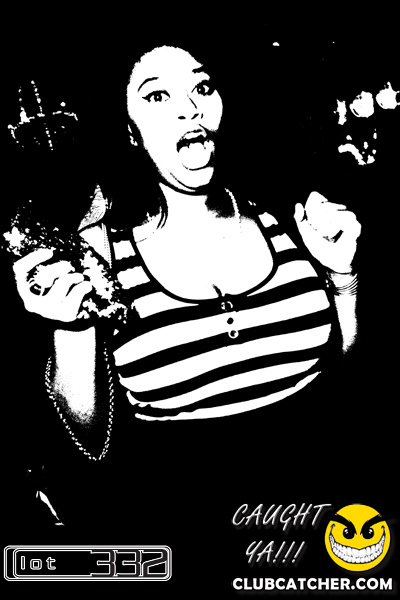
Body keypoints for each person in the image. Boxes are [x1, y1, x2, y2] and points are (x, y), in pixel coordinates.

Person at [8, 39, 361, 534]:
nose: (190, 108)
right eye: (157, 96)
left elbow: (339, 371)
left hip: (324, 520)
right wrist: (71, 327)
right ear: (129, 131)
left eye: (202, 87)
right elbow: (85, 435)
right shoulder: (101, 251)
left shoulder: (285, 211)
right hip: (191, 532)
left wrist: (342, 277)